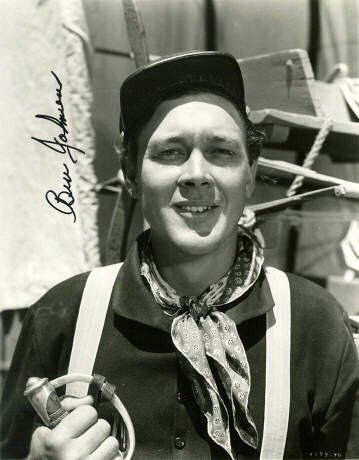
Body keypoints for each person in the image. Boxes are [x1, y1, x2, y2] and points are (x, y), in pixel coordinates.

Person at [1, 51, 358, 460]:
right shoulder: (62, 316)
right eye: (170, 152)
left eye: (221, 151)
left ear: (251, 173)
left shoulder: (316, 327)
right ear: (132, 175)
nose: (196, 174)